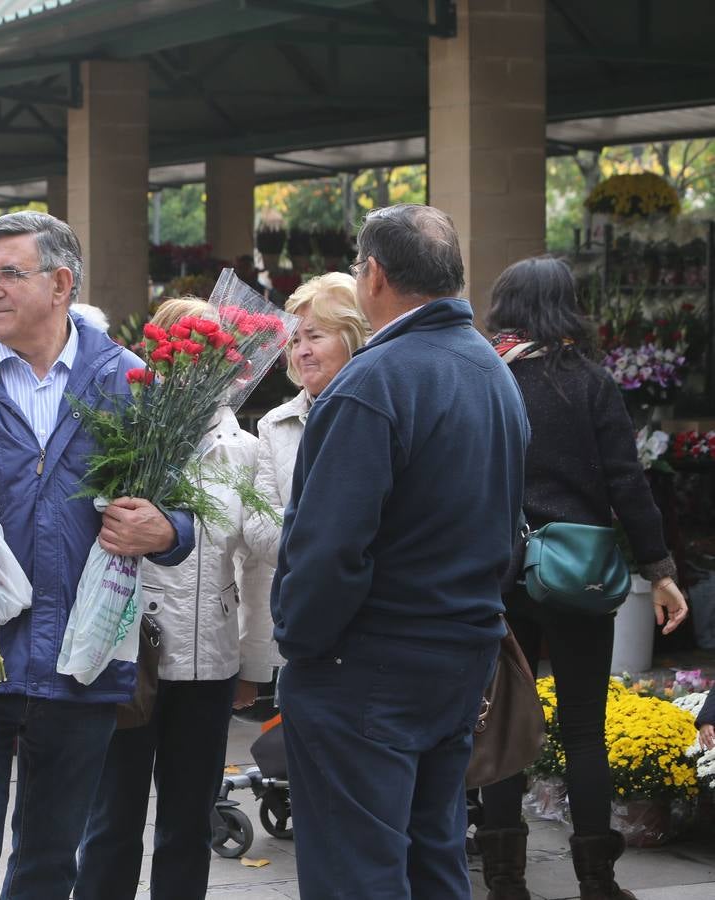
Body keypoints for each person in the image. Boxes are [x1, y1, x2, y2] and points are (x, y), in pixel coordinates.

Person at [0, 210, 195, 899]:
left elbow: (190, 513)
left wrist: (164, 531)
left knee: (48, 865)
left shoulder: (131, 379)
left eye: (10, 274)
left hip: (81, 663)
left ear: (61, 283)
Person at [270, 204, 529, 899]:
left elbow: (327, 550)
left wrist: (302, 644)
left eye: (359, 265)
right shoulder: (490, 370)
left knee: (358, 870)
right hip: (457, 654)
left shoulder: (376, 381)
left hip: (368, 664)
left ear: (374, 274)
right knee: (431, 857)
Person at [475, 256, 688, 900]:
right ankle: (598, 880)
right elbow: (628, 482)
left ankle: (505, 881)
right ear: (567, 307)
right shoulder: (590, 382)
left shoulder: (489, 377)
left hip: (502, 575)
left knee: (502, 721)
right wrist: (660, 571)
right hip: (580, 577)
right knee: (585, 730)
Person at [74, 296, 269, 900]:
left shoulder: (245, 450)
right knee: (111, 821)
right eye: (175, 347)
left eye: (207, 350)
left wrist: (252, 664)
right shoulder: (123, 434)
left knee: (188, 822)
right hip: (128, 654)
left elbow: (258, 566)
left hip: (207, 656)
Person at [239, 271, 368, 714]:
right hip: (306, 617)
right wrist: (327, 541)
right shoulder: (275, 424)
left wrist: (305, 530)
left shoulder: (380, 414)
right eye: (295, 340)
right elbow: (257, 526)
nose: (302, 351)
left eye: (314, 336)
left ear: (353, 336)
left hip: (374, 622)